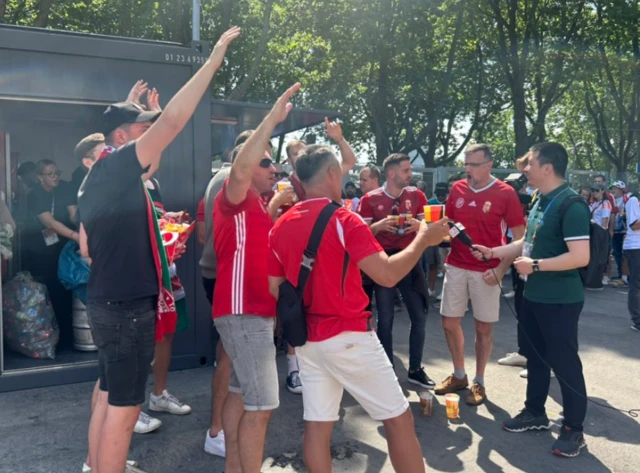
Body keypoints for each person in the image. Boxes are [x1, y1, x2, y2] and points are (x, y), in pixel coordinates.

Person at [78, 26, 241, 473]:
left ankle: (96, 465)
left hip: (112, 301)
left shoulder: (109, 172)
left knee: (111, 395)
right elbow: (172, 125)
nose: (153, 133)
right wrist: (211, 64)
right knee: (125, 408)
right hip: (126, 306)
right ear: (120, 137)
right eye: (142, 128)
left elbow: (154, 152)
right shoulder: (113, 171)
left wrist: (145, 112)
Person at [268, 144, 450, 473]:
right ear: (332, 174)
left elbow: (273, 288)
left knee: (317, 426)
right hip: (350, 334)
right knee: (399, 420)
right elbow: (388, 274)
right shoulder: (343, 219)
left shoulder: (281, 224)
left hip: (307, 340)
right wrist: (423, 238)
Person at [473, 141, 591, 458]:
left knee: (564, 361)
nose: (525, 169)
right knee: (536, 357)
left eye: (531, 163)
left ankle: (573, 429)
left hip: (561, 299)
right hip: (534, 295)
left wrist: (537, 266)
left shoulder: (572, 205)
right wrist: (496, 252)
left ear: (547, 168)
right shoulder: (541, 198)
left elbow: (580, 256)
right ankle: (535, 413)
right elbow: (527, 241)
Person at [212, 83, 301, 473]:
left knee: (239, 394)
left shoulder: (257, 206)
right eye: (267, 163)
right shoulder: (235, 195)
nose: (274, 169)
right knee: (263, 406)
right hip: (243, 312)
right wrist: (273, 119)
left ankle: (234, 466)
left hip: (251, 312)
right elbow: (242, 168)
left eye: (275, 164)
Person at [435, 143, 525, 406]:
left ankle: (480, 380)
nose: (468, 169)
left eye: (473, 164)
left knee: (482, 328)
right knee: (448, 323)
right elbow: (449, 226)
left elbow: (520, 238)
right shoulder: (458, 190)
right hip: (456, 266)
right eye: (466, 163)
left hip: (486, 271)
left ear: (488, 165)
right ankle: (459, 374)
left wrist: (499, 268)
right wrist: (443, 254)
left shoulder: (505, 193)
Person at [276, 120, 358, 395]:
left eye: (305, 151)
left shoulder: (322, 177)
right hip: (300, 245)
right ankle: (294, 369)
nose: (303, 155)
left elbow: (349, 160)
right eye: (297, 153)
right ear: (290, 162)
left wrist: (339, 137)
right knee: (296, 303)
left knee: (327, 302)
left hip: (325, 239)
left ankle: (323, 370)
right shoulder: (285, 184)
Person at [358, 153, 435, 389]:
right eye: (406, 170)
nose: (410, 174)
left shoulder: (416, 195)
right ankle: (387, 370)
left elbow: (429, 228)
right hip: (384, 262)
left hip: (410, 259)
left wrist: (419, 225)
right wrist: (379, 226)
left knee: (419, 315)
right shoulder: (370, 199)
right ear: (391, 173)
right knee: (385, 319)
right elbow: (360, 236)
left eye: (409, 170)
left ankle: (415, 368)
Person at [25, 159, 77, 348]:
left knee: (68, 287)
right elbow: (50, 223)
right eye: (50, 174)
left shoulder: (65, 188)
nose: (55, 177)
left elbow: (73, 214)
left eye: (57, 173)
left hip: (66, 245)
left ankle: (69, 334)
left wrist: (85, 227)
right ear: (40, 177)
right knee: (51, 288)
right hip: (41, 248)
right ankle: (54, 335)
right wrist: (77, 236)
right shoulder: (35, 195)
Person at [498, 154, 532, 378]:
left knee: (538, 316)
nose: (525, 173)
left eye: (528, 169)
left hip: (539, 268)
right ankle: (525, 352)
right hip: (523, 265)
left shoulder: (552, 199)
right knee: (522, 310)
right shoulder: (536, 197)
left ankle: (543, 361)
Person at [624, 189, 640, 333]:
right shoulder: (634, 200)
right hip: (635, 247)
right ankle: (637, 321)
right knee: (636, 284)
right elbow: (634, 225)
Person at [610, 181, 629, 285]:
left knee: (625, 254)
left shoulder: (628, 200)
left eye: (616, 188)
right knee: (617, 253)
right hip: (615, 231)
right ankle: (620, 273)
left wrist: (624, 214)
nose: (613, 190)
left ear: (622, 189)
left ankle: (627, 274)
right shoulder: (610, 200)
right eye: (612, 188)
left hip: (625, 231)